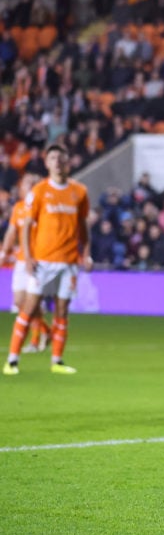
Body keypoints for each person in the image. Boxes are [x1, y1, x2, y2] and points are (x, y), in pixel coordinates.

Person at [4, 144, 92, 375]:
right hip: (44, 260)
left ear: (68, 162)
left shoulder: (79, 191)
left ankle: (57, 361)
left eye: (61, 158)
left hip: (70, 262)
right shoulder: (40, 191)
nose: (57, 162)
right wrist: (29, 255)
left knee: (62, 310)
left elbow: (83, 227)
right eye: (53, 158)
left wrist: (86, 253)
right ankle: (12, 360)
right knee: (29, 306)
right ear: (47, 163)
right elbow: (25, 228)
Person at [1, 173, 50, 353]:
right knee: (20, 302)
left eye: (30, 184)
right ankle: (46, 330)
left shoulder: (44, 208)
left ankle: (35, 341)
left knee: (32, 303)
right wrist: (3, 253)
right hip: (22, 261)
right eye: (24, 184)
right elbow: (11, 233)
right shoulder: (18, 208)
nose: (25, 187)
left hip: (39, 261)